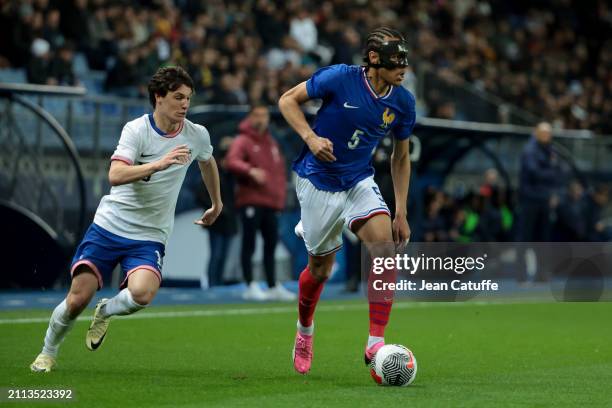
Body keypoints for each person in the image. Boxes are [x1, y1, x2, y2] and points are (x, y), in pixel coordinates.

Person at [30, 66, 222, 372]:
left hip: (150, 234)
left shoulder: (196, 135)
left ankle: (105, 311)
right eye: (178, 97)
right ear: (159, 98)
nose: (185, 104)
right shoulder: (137, 130)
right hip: (110, 227)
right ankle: (48, 351)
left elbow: (208, 161)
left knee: (142, 294)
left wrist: (216, 202)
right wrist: (158, 165)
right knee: (78, 298)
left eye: (188, 98)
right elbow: (115, 174)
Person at [278, 27, 415, 374]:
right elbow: (286, 100)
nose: (403, 68)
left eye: (405, 61)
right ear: (373, 59)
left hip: (358, 180)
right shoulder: (339, 78)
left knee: (383, 247)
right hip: (318, 183)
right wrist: (310, 137)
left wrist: (401, 211)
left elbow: (401, 157)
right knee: (319, 270)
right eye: (397, 62)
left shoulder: (402, 101)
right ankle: (304, 331)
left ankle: (375, 343)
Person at [225, 104, 295, 301]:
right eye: (257, 115)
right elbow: (232, 161)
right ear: (250, 117)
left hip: (271, 202)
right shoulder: (243, 140)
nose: (261, 119)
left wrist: (280, 197)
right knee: (249, 244)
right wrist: (250, 170)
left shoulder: (271, 142)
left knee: (271, 245)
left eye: (264, 115)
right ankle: (250, 285)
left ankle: (272, 285)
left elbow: (279, 173)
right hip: (251, 200)